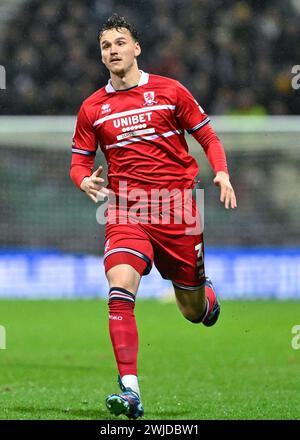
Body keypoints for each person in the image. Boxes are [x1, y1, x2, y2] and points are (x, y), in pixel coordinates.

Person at [70, 13, 237, 419]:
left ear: (136, 48)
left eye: (119, 42)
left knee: (193, 311)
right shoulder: (92, 108)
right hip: (127, 211)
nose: (113, 50)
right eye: (106, 45)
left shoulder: (169, 91)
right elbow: (78, 162)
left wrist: (221, 171)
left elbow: (207, 135)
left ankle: (204, 294)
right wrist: (83, 182)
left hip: (178, 210)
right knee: (119, 284)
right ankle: (130, 390)